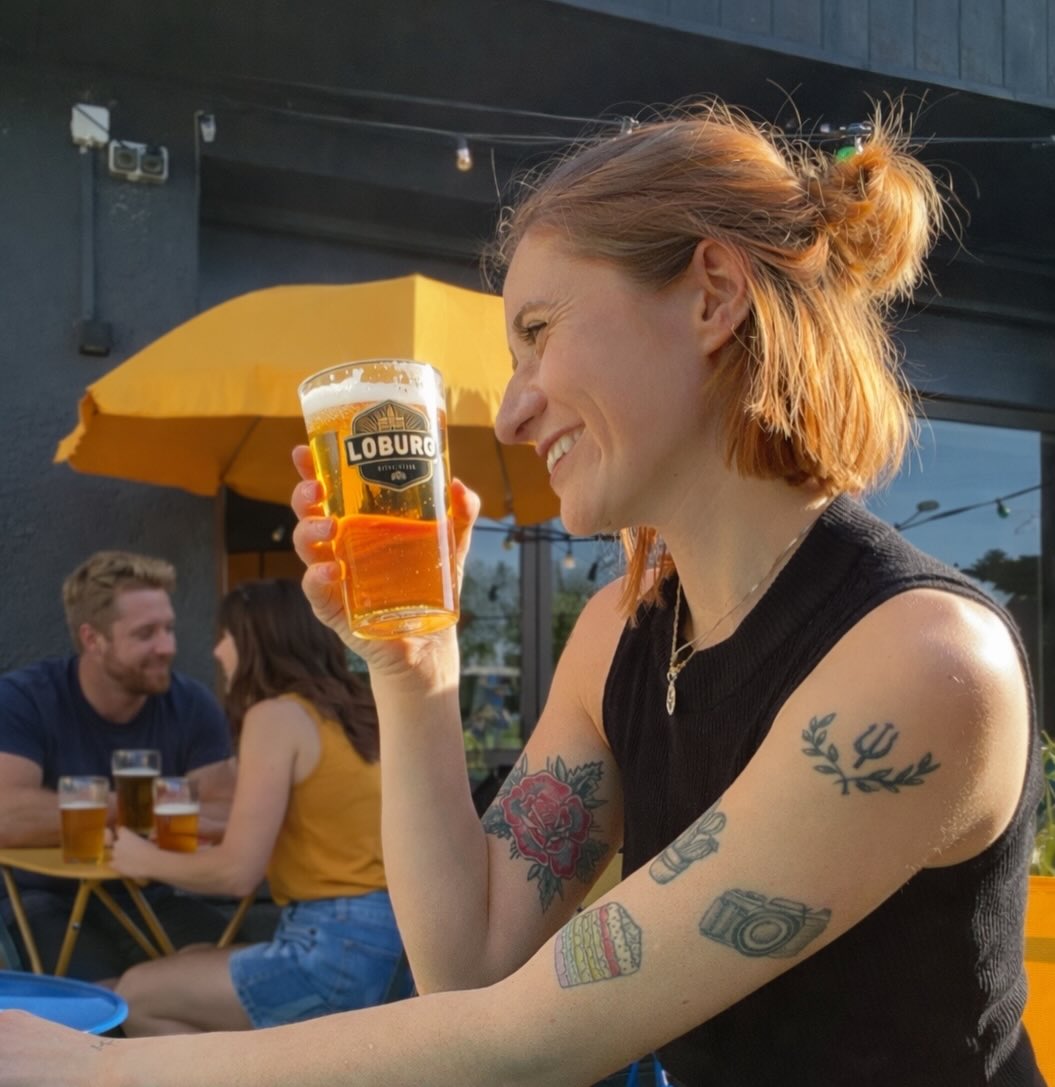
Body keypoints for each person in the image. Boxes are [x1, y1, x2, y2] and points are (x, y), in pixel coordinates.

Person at [0, 98, 1045, 1086]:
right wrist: (411, 663)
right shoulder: (621, 631)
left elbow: (528, 1037)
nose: (509, 412)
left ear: (712, 296)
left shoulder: (919, 661)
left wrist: (101, 1065)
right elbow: (471, 962)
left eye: (538, 333)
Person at [108, 578, 409, 1034]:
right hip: (401, 945)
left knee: (136, 995)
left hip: (334, 947)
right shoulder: (357, 711)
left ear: (256, 640)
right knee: (191, 960)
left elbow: (236, 873)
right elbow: (324, 820)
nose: (217, 652)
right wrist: (207, 826)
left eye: (224, 636)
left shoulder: (275, 716)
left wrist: (140, 858)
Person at [0, 550, 236, 980]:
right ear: (93, 639)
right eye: (146, 633)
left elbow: (227, 814)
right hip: (45, 897)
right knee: (95, 1013)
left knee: (233, 979)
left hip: (154, 892)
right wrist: (137, 806)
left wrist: (105, 812)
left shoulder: (191, 703)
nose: (168, 647)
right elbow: (5, 815)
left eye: (168, 629)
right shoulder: (25, 699)